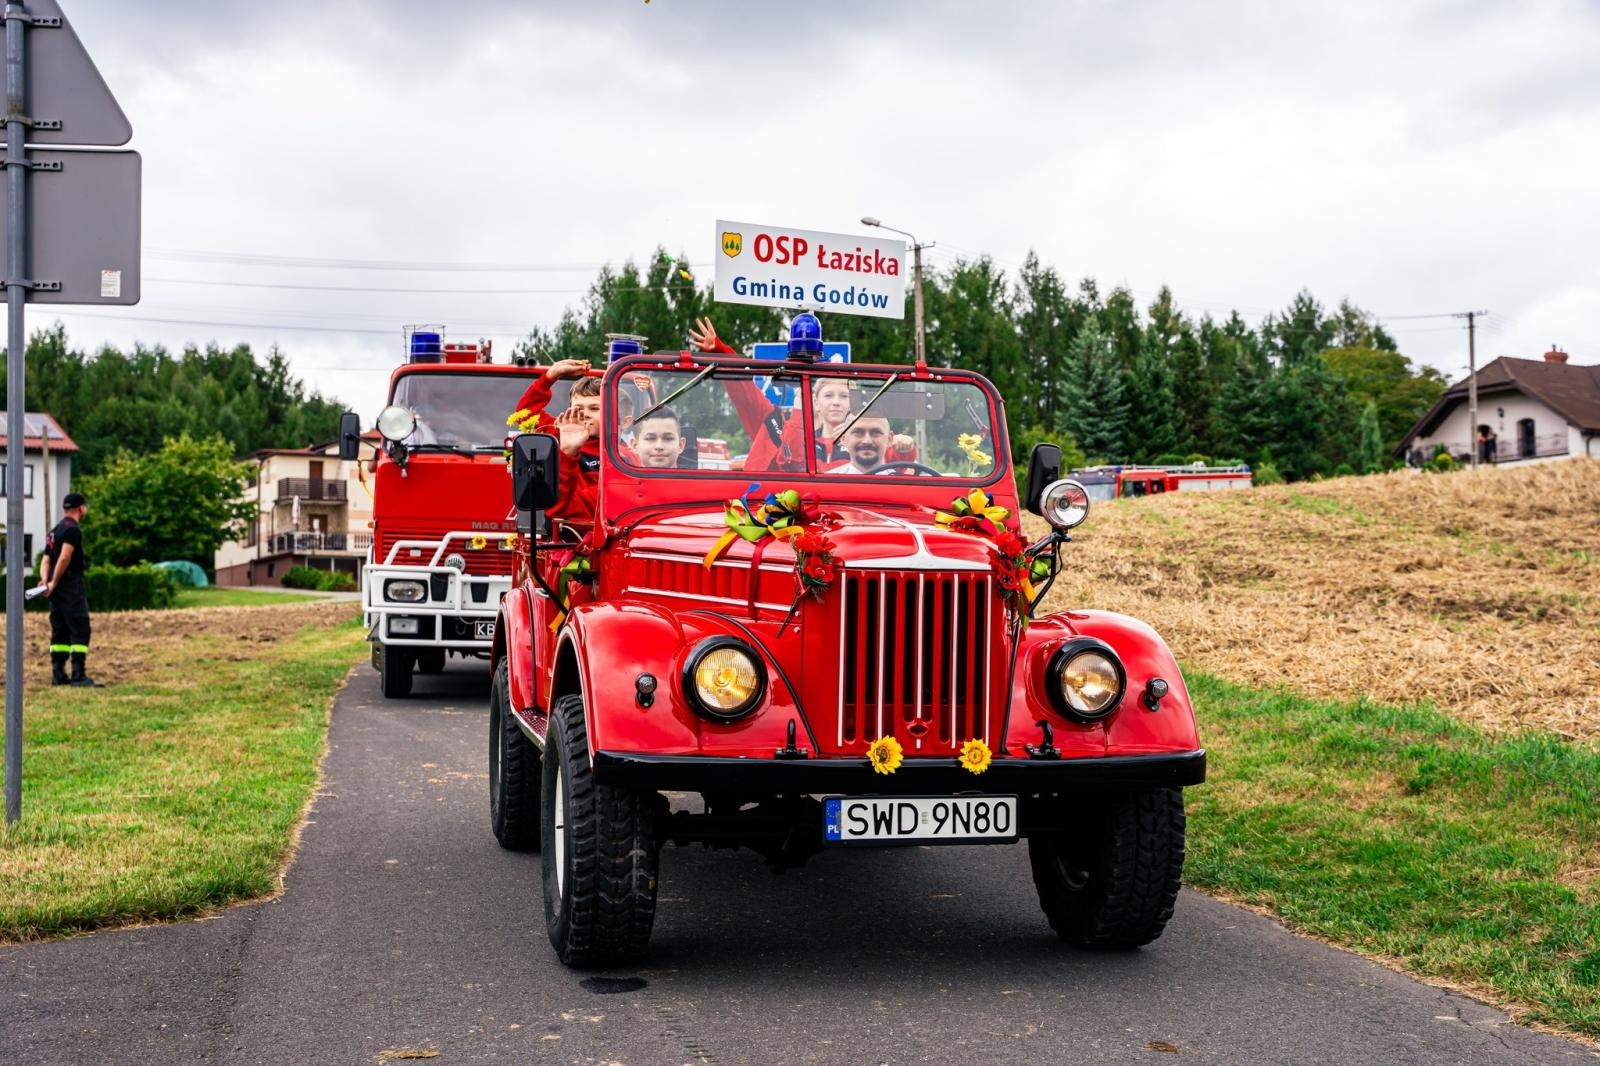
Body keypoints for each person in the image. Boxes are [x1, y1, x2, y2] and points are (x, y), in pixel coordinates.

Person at [687, 316, 916, 471]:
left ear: (853, 403)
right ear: (816, 400)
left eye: (844, 396)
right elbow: (743, 391)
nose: (835, 402)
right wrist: (721, 350)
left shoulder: (863, 440)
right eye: (828, 395)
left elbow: (894, 469)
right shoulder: (775, 424)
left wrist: (904, 447)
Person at [39, 492, 100, 687]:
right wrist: (55, 581)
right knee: (80, 627)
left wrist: (44, 580)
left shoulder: (55, 531)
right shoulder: (73, 530)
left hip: (56, 590)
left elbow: (46, 559)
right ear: (81, 508)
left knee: (60, 630)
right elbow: (65, 557)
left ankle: (58, 675)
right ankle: (78, 674)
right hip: (70, 585)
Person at [826, 415, 905, 475]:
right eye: (858, 432)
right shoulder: (828, 484)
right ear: (843, 439)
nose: (867, 441)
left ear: (889, 439)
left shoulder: (904, 487)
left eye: (876, 433)